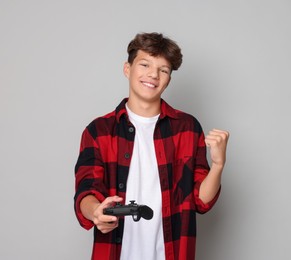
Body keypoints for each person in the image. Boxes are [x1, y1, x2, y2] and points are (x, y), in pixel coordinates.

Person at [74, 32, 229, 260]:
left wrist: (218, 164)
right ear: (127, 69)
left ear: (168, 79)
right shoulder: (98, 130)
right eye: (145, 64)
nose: (153, 75)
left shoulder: (187, 127)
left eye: (163, 70)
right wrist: (95, 211)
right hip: (115, 252)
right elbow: (86, 191)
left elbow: (201, 200)